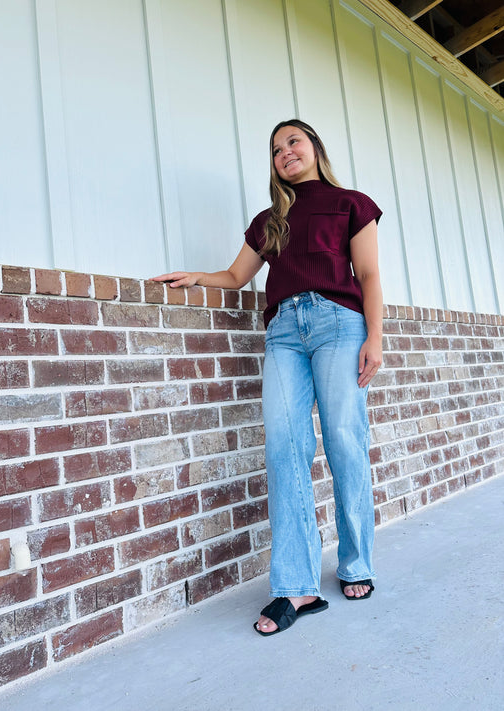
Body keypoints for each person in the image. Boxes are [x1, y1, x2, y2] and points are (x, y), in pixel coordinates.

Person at [153, 119, 383, 637]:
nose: (285, 153)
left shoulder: (351, 204)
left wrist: (376, 336)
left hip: (339, 326)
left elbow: (367, 275)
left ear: (315, 148)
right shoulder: (269, 220)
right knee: (284, 446)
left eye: (293, 142)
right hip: (283, 333)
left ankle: (355, 563)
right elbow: (237, 276)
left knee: (345, 440)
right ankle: (296, 586)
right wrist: (196, 276)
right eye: (276, 150)